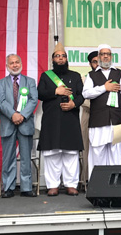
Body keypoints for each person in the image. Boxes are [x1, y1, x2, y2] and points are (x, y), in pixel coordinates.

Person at [38, 43, 85, 196]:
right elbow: (40, 94)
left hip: (70, 119)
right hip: (51, 119)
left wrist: (73, 104)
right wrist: (55, 91)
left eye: (63, 56)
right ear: (53, 59)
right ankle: (53, 185)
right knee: (52, 154)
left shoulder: (75, 76)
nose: (60, 58)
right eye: (57, 56)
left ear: (66, 59)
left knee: (71, 154)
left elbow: (81, 96)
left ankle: (71, 184)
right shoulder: (46, 76)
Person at [82, 44, 121, 179]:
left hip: (117, 120)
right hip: (98, 121)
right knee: (97, 154)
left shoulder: (120, 74)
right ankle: (98, 185)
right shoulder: (92, 75)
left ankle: (115, 186)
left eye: (108, 54)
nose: (105, 56)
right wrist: (104, 88)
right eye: (103, 54)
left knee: (117, 155)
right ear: (98, 57)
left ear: (111, 56)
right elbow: (86, 93)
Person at [0, 54, 38, 198]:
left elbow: (34, 100)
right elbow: (1, 102)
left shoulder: (30, 81)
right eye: (11, 63)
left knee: (26, 157)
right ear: (7, 66)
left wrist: (22, 115)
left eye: (17, 62)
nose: (15, 65)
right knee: (8, 157)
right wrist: (13, 114)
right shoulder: (0, 83)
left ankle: (26, 187)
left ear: (21, 64)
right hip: (8, 123)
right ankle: (8, 187)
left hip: (25, 122)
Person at [80, 51, 99, 188]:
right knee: (87, 148)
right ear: (90, 64)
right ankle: (87, 179)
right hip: (89, 115)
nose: (97, 64)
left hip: (107, 117)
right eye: (94, 61)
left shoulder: (111, 78)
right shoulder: (84, 79)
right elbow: (82, 99)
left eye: (99, 61)